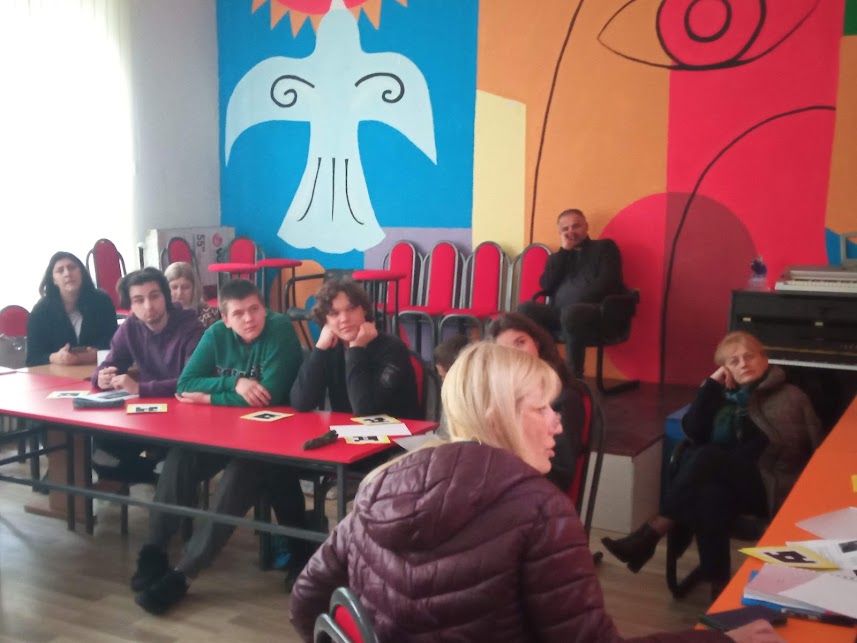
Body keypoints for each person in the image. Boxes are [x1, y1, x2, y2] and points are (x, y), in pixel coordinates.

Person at [289, 343, 782, 643]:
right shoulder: (541, 512)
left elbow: (305, 602)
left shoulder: (378, 485)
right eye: (543, 408)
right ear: (500, 415)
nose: (559, 423)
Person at [602, 331, 823, 596]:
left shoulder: (790, 396)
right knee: (709, 493)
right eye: (733, 361)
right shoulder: (721, 396)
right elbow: (694, 431)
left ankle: (653, 531)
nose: (743, 364)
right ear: (725, 369)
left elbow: (804, 446)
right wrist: (710, 386)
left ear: (765, 359)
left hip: (770, 485)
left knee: (706, 457)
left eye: (749, 356)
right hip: (727, 484)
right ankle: (719, 586)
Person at [132, 278, 304, 615]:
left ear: (264, 309)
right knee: (180, 457)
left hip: (272, 441)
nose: (249, 318)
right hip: (224, 433)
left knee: (237, 478)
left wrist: (208, 397)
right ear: (225, 319)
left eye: (255, 309)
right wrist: (235, 382)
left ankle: (184, 574)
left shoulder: (280, 330)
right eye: (238, 313)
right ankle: (153, 552)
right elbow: (186, 384)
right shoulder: (215, 334)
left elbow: (268, 398)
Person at [90, 268, 205, 481]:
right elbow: (111, 362)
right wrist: (101, 377)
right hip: (146, 415)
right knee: (101, 453)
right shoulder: (130, 328)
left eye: (154, 296)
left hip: (184, 415)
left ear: (166, 297)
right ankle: (156, 474)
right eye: (138, 300)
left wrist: (139, 388)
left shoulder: (192, 328)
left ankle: (164, 476)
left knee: (173, 466)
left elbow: (192, 383)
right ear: (131, 306)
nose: (148, 306)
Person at [290, 278, 420, 420]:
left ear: (364, 310)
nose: (344, 319)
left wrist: (356, 348)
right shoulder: (330, 347)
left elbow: (365, 411)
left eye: (351, 309)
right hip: (347, 430)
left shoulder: (393, 348)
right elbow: (301, 402)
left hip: (397, 431)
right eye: (334, 314)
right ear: (326, 321)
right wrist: (319, 349)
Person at [518, 208, 625, 377]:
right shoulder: (558, 257)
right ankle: (542, 371)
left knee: (572, 312)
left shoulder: (605, 247)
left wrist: (579, 302)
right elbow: (546, 285)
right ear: (560, 233)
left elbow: (608, 282)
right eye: (565, 229)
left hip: (595, 314)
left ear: (586, 226)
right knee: (525, 309)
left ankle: (573, 378)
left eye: (576, 226)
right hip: (560, 314)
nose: (571, 232)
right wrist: (564, 251)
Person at [487, 312, 582, 493]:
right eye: (507, 351)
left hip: (533, 494)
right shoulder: (497, 397)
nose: (517, 353)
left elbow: (560, 475)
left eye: (521, 342)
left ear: (537, 343)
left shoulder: (564, 398)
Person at [26, 251, 117, 366]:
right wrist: (54, 357)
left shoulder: (102, 301)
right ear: (53, 280)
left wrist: (97, 353)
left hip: (98, 370)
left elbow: (115, 343)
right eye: (60, 270)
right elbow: (32, 358)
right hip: (58, 374)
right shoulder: (41, 311)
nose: (67, 274)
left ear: (81, 273)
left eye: (72, 268)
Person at [164, 261, 221, 328]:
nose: (179, 293)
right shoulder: (162, 316)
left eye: (185, 287)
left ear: (194, 288)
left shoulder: (210, 315)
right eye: (174, 287)